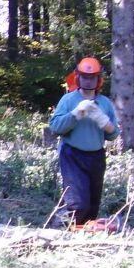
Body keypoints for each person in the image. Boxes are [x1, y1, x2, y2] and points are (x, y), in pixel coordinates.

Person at [48, 57, 120, 228]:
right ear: (78, 77)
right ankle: (58, 228)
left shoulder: (105, 103)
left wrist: (103, 121)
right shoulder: (68, 100)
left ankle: (82, 232)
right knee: (77, 204)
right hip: (72, 155)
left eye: (92, 77)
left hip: (96, 156)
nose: (88, 80)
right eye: (85, 77)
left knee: (92, 206)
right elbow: (56, 128)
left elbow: (113, 134)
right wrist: (76, 114)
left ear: (98, 79)